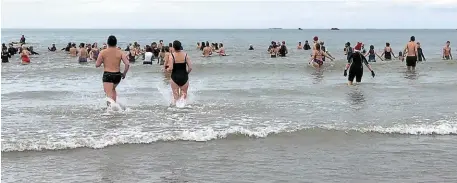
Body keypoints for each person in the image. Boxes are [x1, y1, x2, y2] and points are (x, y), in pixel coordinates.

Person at [96, 35, 130, 106]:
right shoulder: (120, 52)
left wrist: (103, 60)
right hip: (117, 75)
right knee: (113, 90)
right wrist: (124, 74)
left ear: (107, 43)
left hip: (108, 75)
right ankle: (115, 107)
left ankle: (110, 111)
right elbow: (127, 64)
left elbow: (97, 65)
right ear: (116, 43)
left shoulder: (103, 52)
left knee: (108, 95)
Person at [166, 40, 193, 105]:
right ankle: (183, 110)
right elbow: (190, 68)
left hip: (175, 77)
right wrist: (186, 73)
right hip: (184, 77)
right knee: (183, 96)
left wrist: (167, 69)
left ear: (173, 47)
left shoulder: (172, 56)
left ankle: (176, 111)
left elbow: (171, 68)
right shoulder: (185, 55)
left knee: (175, 97)